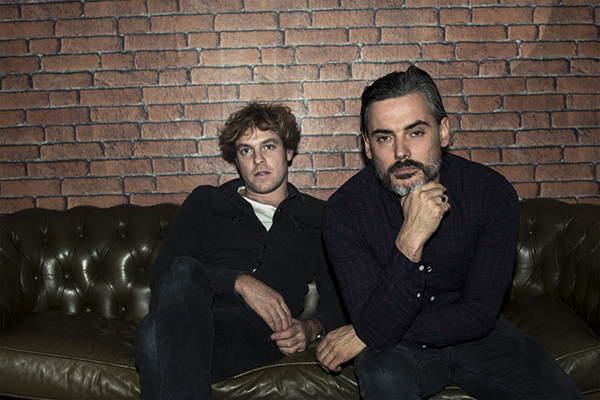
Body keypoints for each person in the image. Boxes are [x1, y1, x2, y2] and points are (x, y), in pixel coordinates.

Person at [316, 66, 583, 399]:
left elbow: (479, 315)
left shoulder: (490, 194)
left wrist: (366, 332)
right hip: (394, 350)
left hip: (480, 337)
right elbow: (378, 329)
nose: (401, 152)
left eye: (416, 133)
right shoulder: (345, 212)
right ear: (368, 147)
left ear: (443, 132)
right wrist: (410, 239)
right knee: (383, 375)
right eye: (384, 137)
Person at [135, 102, 348, 399]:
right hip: (194, 312)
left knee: (153, 336)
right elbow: (165, 273)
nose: (258, 159)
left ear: (289, 152)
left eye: (268, 146)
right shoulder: (207, 201)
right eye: (246, 150)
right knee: (179, 276)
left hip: (259, 334)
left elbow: (342, 299)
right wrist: (239, 282)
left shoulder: (318, 217)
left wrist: (311, 329)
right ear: (236, 160)